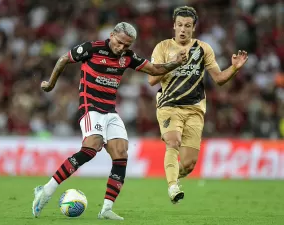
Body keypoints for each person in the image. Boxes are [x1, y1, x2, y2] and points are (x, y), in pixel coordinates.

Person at [32, 22, 187, 220]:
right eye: (120, 42)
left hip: (110, 111)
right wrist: (51, 84)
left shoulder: (127, 57)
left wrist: (175, 62)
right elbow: (64, 58)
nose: (122, 48)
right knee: (91, 147)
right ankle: (45, 191)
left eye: (127, 45)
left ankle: (106, 208)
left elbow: (155, 70)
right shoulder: (92, 48)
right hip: (90, 108)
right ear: (112, 35)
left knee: (121, 153)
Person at [148, 6, 248, 204]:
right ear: (173, 26)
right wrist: (174, 63)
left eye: (187, 26)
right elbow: (152, 79)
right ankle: (172, 188)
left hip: (194, 109)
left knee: (189, 164)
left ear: (193, 28)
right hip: (169, 105)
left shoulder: (203, 49)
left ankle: (173, 177)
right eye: (179, 25)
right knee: (173, 141)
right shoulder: (163, 47)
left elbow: (219, 79)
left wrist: (234, 68)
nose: (183, 29)